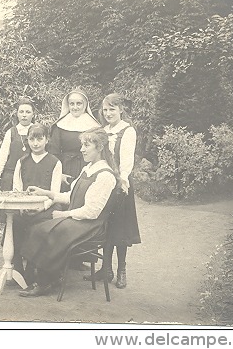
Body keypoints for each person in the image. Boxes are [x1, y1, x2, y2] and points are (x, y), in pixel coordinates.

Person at [18, 127, 119, 297]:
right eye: (82, 145)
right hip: (78, 219)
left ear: (99, 147)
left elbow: (92, 212)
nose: (81, 149)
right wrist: (45, 193)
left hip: (90, 226)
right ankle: (51, 276)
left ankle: (45, 281)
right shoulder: (88, 169)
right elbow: (69, 197)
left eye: (86, 145)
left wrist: (63, 214)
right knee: (39, 226)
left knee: (44, 229)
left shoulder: (105, 176)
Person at [85, 93, 141, 289]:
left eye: (112, 109)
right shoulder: (102, 131)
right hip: (104, 183)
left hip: (120, 185)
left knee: (120, 229)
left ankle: (121, 270)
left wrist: (122, 180)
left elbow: (127, 161)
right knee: (105, 226)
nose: (108, 113)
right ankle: (105, 269)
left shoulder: (127, 131)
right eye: (105, 109)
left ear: (121, 110)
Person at [10, 123, 62, 284]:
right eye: (32, 139)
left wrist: (41, 207)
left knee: (40, 227)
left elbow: (54, 193)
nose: (36, 143)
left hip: (46, 207)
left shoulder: (55, 162)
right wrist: (22, 206)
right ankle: (16, 268)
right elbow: (16, 189)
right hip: (24, 207)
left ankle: (33, 268)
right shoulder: (22, 161)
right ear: (28, 140)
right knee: (13, 223)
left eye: (40, 139)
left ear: (47, 140)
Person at [49, 89, 100, 192]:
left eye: (79, 103)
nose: (75, 107)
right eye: (72, 104)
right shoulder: (59, 126)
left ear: (85, 105)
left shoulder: (95, 126)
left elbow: (99, 151)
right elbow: (53, 152)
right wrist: (59, 174)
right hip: (66, 168)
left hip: (88, 167)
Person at [0, 97, 35, 192]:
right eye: (21, 112)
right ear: (17, 114)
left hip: (31, 175)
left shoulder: (37, 131)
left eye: (28, 112)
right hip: (10, 176)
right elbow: (2, 157)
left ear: (33, 114)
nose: (24, 115)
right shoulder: (11, 132)